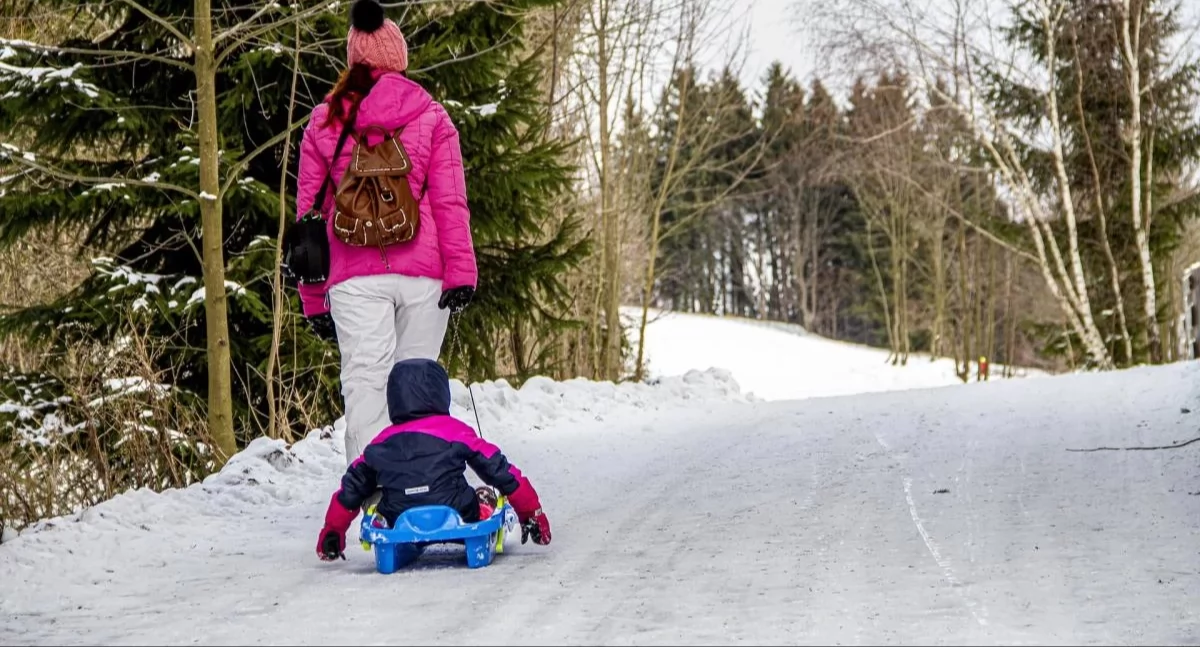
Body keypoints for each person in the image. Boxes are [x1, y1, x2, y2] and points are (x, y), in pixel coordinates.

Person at [294, 0, 477, 463]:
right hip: (424, 275)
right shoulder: (432, 116)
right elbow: (450, 203)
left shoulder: (324, 122)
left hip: (353, 275)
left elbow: (309, 219)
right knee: (415, 384)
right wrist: (461, 274)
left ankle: (371, 486)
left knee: (365, 383)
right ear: (398, 57)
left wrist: (313, 298)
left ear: (353, 58)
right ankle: (420, 483)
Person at [316, 359, 552, 561]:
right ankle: (480, 525)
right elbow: (500, 470)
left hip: (398, 515)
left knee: (379, 502)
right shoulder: (455, 431)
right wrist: (532, 513)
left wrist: (333, 530)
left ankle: (388, 535)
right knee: (484, 493)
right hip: (460, 511)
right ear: (441, 393)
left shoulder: (380, 442)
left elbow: (352, 487)